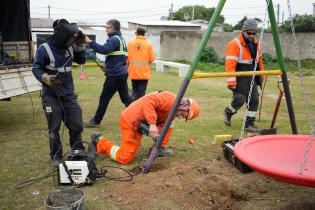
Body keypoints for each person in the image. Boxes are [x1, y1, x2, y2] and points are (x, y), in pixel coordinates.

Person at [88, 91, 200, 164]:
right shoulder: (170, 99)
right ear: (185, 107)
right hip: (131, 120)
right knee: (124, 158)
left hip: (143, 121)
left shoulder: (174, 111)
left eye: (183, 117)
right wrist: (152, 125)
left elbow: (164, 125)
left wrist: (157, 134)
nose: (180, 117)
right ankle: (99, 140)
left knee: (170, 123)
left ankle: (158, 148)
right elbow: (149, 100)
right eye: (183, 115)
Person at [32, 19, 87, 166]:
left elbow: (81, 60)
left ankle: (77, 152)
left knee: (76, 124)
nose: (71, 41)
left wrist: (80, 45)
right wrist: (45, 78)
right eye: (69, 38)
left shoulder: (70, 46)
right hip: (51, 95)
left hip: (68, 94)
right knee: (54, 128)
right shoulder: (44, 49)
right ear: (61, 35)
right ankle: (56, 156)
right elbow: (36, 67)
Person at [84, 19, 133, 127]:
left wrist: (89, 42)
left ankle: (96, 121)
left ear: (113, 28)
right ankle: (139, 116)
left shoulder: (114, 39)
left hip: (115, 75)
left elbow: (104, 49)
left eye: (107, 27)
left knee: (104, 98)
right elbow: (119, 57)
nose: (106, 29)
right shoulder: (120, 39)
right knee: (126, 98)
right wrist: (108, 67)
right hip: (121, 73)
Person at [223, 19, 265, 132]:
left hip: (252, 76)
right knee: (240, 100)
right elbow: (230, 64)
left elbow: (259, 61)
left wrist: (262, 76)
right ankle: (228, 111)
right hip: (239, 75)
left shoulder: (256, 43)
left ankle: (249, 124)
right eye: (249, 33)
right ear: (243, 31)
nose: (251, 36)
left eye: (254, 33)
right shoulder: (234, 44)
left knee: (254, 100)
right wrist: (231, 82)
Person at [127, 28, 155, 100]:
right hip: (144, 73)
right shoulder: (149, 44)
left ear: (136, 33)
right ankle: (140, 106)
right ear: (144, 34)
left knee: (134, 91)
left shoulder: (130, 44)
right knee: (141, 93)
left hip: (133, 72)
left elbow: (126, 58)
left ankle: (133, 105)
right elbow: (151, 59)